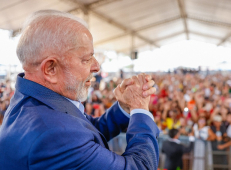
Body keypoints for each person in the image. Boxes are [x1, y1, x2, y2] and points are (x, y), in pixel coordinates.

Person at [0, 10, 159, 170]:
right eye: (86, 59)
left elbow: (85, 130)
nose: (96, 66)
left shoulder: (33, 100)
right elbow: (141, 167)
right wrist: (140, 109)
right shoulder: (55, 134)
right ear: (50, 69)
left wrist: (124, 107)